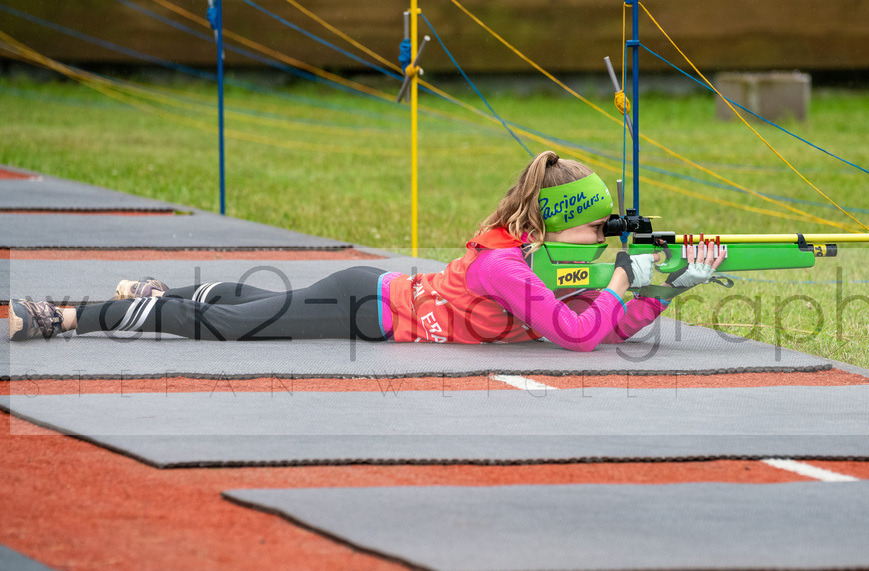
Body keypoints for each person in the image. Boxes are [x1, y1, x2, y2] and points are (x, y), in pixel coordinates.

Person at [8, 151, 724, 352]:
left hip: (371, 298)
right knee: (232, 326)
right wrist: (629, 279)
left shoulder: (549, 263)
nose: (603, 244)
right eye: (596, 231)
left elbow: (599, 321)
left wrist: (666, 287)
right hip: (365, 306)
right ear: (554, 227)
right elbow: (576, 334)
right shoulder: (505, 265)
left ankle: (155, 295)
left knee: (250, 306)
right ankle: (70, 315)